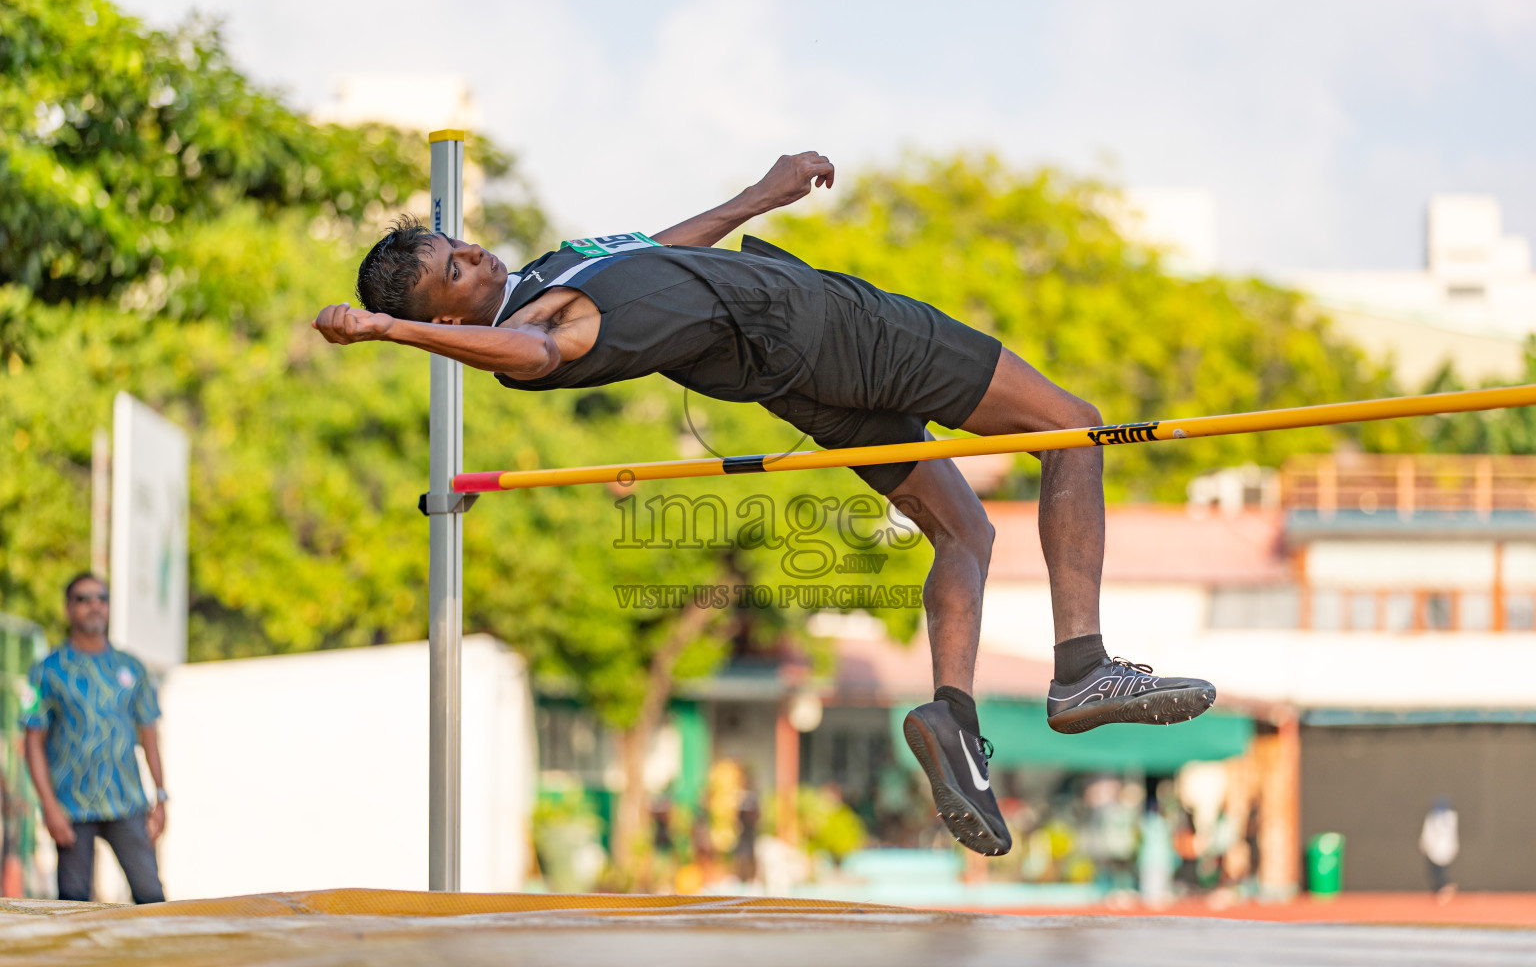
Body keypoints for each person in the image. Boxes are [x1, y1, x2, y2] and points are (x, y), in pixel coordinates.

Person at [312, 152, 1216, 857]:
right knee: (1072, 429)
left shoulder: (554, 275)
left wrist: (760, 194)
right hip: (845, 334)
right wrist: (391, 331)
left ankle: (954, 716)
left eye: (457, 245)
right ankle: (1083, 668)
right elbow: (537, 358)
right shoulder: (544, 331)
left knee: (963, 528)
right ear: (457, 322)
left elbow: (666, 248)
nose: (472, 255)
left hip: (804, 378)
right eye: (454, 273)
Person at [23, 573, 167, 903]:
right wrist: (48, 807)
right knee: (73, 904)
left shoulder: (131, 666)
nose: (94, 606)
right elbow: (33, 740)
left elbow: (149, 733)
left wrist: (160, 796)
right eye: (83, 599)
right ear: (68, 608)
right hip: (72, 807)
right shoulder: (46, 670)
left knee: (152, 898)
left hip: (126, 802)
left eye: (101, 598)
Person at [1420, 796, 1458, 903]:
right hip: (1435, 849)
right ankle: (1440, 889)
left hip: (1440, 849)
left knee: (1439, 871)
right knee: (1434, 872)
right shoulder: (1436, 818)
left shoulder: (1448, 819)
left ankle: (1444, 887)